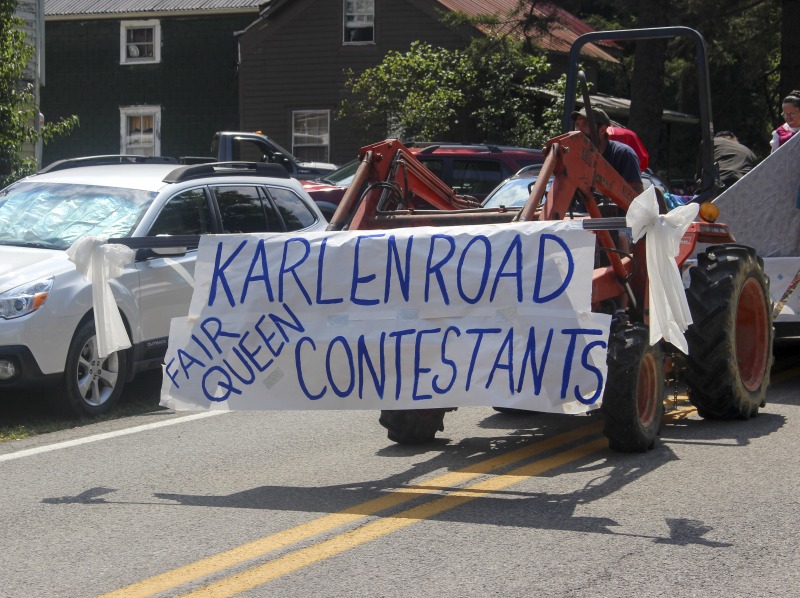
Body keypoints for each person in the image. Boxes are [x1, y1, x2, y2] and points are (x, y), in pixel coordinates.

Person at [572, 107, 644, 194]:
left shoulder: (623, 154)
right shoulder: (576, 156)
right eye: (577, 125)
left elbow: (636, 196)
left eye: (586, 124)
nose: (579, 130)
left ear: (602, 130)